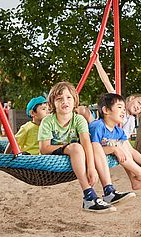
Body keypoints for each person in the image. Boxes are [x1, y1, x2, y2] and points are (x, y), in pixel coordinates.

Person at [38, 82, 115, 212]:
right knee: (76, 147)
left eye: (69, 97)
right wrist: (66, 147)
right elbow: (44, 148)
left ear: (75, 101)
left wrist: (91, 167)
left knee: (86, 146)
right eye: (59, 99)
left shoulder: (79, 119)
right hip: (53, 156)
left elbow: (86, 143)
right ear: (52, 103)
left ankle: (108, 191)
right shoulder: (48, 121)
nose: (64, 101)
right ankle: (89, 196)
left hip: (75, 154)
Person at [90, 93, 141, 193]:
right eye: (139, 103)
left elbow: (131, 150)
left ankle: (136, 178)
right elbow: (91, 149)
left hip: (108, 148)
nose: (123, 111)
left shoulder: (120, 130)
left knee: (122, 145)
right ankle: (139, 173)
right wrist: (114, 149)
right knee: (118, 145)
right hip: (93, 152)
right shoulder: (98, 126)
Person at [78, 55, 141, 138]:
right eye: (139, 103)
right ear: (131, 98)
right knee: (83, 110)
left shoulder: (130, 120)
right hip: (98, 126)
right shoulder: (117, 99)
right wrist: (97, 63)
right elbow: (106, 81)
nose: (138, 107)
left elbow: (123, 138)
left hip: (108, 136)